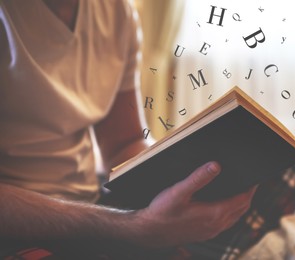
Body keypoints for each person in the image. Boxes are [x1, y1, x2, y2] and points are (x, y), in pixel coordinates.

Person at [0, 0, 258, 258]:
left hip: (88, 202)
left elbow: (124, 142)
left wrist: (186, 174)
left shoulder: (115, 10)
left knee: (278, 181)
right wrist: (132, 227)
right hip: (20, 224)